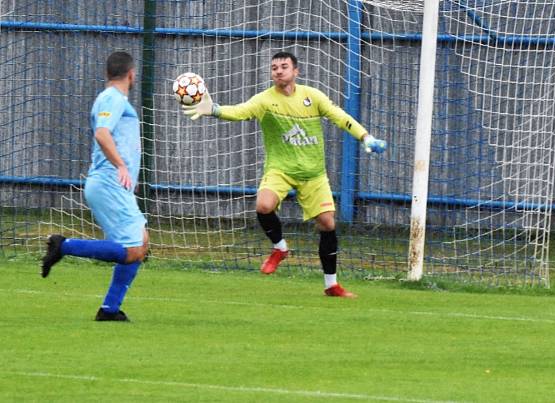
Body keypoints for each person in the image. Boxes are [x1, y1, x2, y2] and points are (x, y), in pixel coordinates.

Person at [183, 51, 386, 298]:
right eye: (274, 67)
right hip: (280, 169)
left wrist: (365, 136)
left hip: (313, 174)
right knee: (264, 205)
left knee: (327, 223)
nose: (278, 71)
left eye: (284, 66)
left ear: (295, 71)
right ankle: (280, 248)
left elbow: (340, 117)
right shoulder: (265, 100)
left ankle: (331, 285)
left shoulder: (313, 96)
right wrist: (213, 109)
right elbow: (239, 111)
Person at [41, 51, 149, 322]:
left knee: (141, 243)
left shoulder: (113, 98)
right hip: (108, 182)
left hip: (113, 186)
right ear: (132, 74)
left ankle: (110, 310)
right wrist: (121, 165)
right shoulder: (112, 98)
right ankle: (63, 246)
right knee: (132, 250)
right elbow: (102, 133)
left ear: (106, 73)